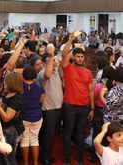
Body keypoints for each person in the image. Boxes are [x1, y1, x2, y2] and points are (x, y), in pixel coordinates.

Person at [61, 32, 94, 165]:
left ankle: (79, 157)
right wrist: (70, 41)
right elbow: (63, 55)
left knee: (80, 134)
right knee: (67, 133)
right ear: (73, 57)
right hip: (70, 106)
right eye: (78, 56)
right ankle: (67, 158)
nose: (80, 59)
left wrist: (92, 108)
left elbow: (91, 91)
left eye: (82, 57)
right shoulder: (67, 68)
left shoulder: (88, 72)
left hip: (85, 107)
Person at [0, 71, 25, 165]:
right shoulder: (8, 94)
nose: (4, 83)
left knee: (9, 158)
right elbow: (4, 109)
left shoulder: (16, 98)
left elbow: (7, 118)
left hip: (12, 130)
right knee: (4, 157)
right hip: (6, 129)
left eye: (5, 81)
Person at [38, 47, 63, 165]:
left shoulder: (55, 70)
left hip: (58, 108)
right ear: (44, 63)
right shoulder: (43, 72)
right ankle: (44, 157)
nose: (53, 63)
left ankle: (47, 154)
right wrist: (51, 55)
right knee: (48, 135)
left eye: (54, 61)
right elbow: (47, 75)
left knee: (52, 135)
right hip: (49, 110)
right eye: (50, 61)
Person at [88, 66, 114, 163]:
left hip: (99, 111)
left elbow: (93, 99)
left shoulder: (99, 86)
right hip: (110, 113)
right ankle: (108, 157)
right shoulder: (114, 87)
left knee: (97, 133)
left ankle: (94, 156)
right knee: (109, 135)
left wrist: (92, 109)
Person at [20, 66, 44, 165]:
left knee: (24, 140)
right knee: (35, 139)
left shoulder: (20, 85)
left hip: (24, 116)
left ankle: (25, 162)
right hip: (37, 116)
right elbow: (41, 100)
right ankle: (35, 162)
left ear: (23, 74)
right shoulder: (38, 85)